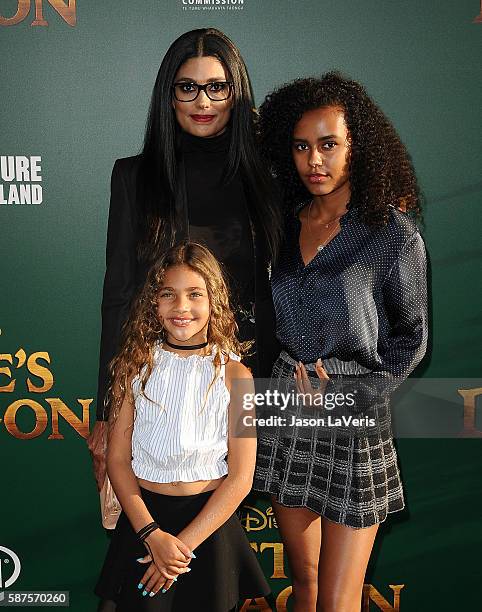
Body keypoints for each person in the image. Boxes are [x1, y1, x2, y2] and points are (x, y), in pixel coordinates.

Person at [252, 72, 428, 612]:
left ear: (358, 147)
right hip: (286, 408)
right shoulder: (279, 226)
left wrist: (363, 394)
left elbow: (411, 336)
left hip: (352, 417)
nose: (314, 161)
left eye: (329, 145)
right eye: (302, 147)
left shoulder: (389, 231)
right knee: (303, 587)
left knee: (337, 599)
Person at [87, 28, 281, 491]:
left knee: (225, 530)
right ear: (168, 95)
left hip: (249, 379)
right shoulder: (134, 177)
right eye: (187, 87)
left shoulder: (269, 178)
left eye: (217, 86)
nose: (203, 100)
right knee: (165, 537)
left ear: (236, 92)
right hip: (161, 388)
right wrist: (110, 407)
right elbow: (118, 298)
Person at [95, 242, 270, 611]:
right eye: (168, 295)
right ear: (153, 304)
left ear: (214, 302)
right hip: (144, 520)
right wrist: (152, 536)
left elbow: (241, 478)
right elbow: (118, 462)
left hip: (209, 527)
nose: (182, 308)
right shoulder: (132, 369)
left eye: (195, 295)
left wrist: (181, 547)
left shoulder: (237, 375)